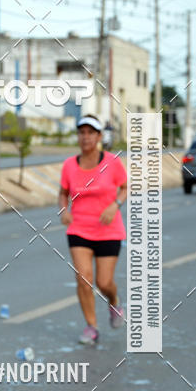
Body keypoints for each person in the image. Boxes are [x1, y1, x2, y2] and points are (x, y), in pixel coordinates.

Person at [58, 114, 127, 345]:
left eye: (90, 132)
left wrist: (115, 205)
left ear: (99, 136)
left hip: (109, 229)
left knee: (104, 282)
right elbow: (62, 193)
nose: (85, 137)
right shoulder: (69, 165)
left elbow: (125, 188)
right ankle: (91, 326)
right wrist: (63, 210)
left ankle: (114, 301)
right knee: (83, 278)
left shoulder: (112, 162)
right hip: (79, 229)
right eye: (82, 132)